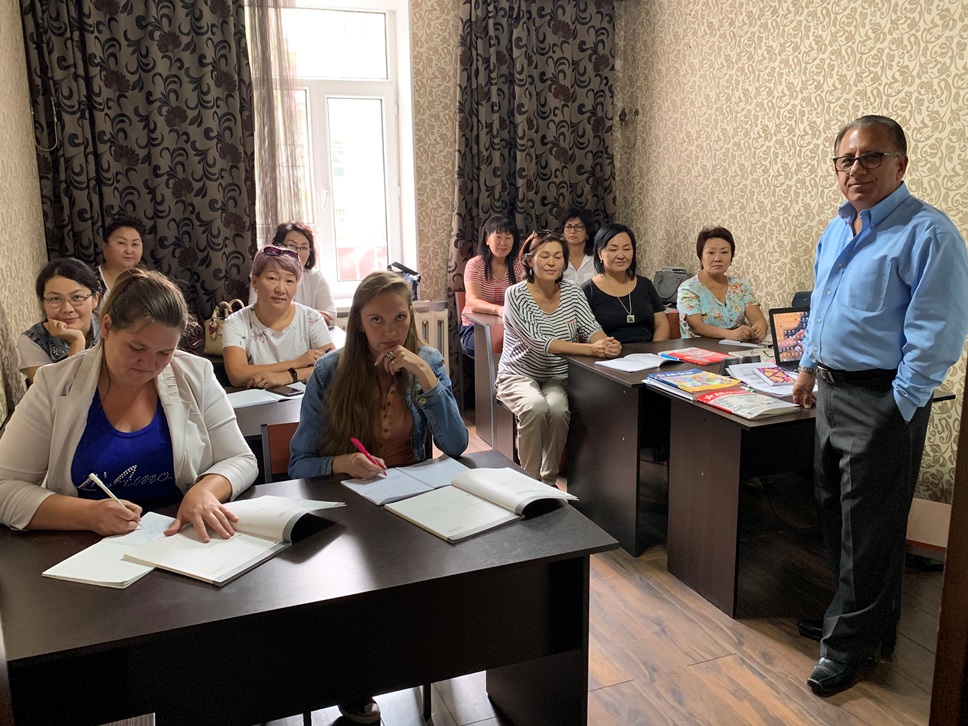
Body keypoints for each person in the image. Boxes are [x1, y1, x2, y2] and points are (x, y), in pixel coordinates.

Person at [791, 115, 968, 696]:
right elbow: (821, 306)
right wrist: (809, 370)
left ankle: (849, 646)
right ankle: (862, 621)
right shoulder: (837, 228)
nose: (856, 170)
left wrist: (902, 404)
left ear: (901, 165)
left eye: (871, 158)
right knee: (835, 512)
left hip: (882, 400)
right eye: (846, 160)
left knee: (869, 525)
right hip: (832, 392)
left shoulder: (928, 233)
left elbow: (937, 330)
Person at [0, 268, 258, 539]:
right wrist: (87, 514)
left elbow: (240, 458)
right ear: (108, 327)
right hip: (84, 547)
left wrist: (204, 491)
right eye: (137, 348)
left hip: (179, 539)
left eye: (164, 352)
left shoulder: (195, 374)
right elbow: (4, 487)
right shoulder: (54, 385)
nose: (149, 365)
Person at [290, 269, 468, 480]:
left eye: (400, 317)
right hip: (351, 492)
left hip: (413, 490)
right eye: (376, 320)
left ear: (411, 315)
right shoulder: (327, 371)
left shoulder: (429, 362)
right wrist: (343, 463)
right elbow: (298, 465)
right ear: (359, 323)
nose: (391, 332)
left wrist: (424, 374)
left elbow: (456, 445)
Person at [496, 231, 621, 486]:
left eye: (557, 256)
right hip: (517, 374)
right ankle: (528, 484)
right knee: (535, 407)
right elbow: (540, 342)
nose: (552, 262)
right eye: (544, 256)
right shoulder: (515, 295)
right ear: (530, 261)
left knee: (558, 410)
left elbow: (591, 327)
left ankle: (549, 481)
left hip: (556, 376)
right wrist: (590, 350)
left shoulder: (573, 291)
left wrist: (606, 343)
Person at [223, 246, 334, 389]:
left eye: (289, 281)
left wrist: (287, 376)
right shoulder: (236, 322)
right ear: (255, 282)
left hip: (305, 401)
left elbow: (333, 366)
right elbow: (237, 375)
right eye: (272, 278)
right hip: (257, 404)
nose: (281, 289)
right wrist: (297, 363)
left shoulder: (311, 319)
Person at [581, 223, 671, 343]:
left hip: (649, 357)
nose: (621, 255)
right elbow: (583, 335)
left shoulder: (645, 285)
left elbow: (661, 324)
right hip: (609, 356)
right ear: (599, 253)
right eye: (613, 249)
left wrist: (655, 352)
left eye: (627, 249)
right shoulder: (587, 291)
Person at [18, 258, 102, 383]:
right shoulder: (32, 341)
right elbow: (57, 396)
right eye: (55, 299)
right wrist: (77, 341)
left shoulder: (114, 329)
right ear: (43, 302)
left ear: (95, 299)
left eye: (77, 297)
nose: (67, 309)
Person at [677, 227, 768, 341]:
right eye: (711, 252)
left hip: (737, 349)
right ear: (700, 257)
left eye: (724, 252)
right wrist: (729, 335)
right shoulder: (689, 288)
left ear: (731, 257)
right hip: (699, 350)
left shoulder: (740, 286)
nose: (718, 258)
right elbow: (696, 326)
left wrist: (759, 329)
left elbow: (758, 319)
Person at [458, 215, 524, 356]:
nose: (503, 242)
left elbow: (524, 300)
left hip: (508, 327)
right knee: (493, 345)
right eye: (498, 237)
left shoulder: (518, 266)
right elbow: (473, 302)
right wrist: (499, 310)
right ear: (487, 239)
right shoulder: (475, 264)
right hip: (474, 327)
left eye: (508, 237)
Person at [249, 222, 337, 325]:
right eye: (292, 246)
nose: (298, 253)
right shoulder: (264, 274)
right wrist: (308, 317)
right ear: (278, 247)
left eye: (304, 248)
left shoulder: (316, 277)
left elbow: (331, 318)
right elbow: (256, 314)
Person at [98, 213, 146, 296]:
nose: (129, 251)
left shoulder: (147, 281)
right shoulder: (88, 281)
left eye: (134, 244)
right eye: (121, 243)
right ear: (105, 247)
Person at [557, 207, 597, 285]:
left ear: (588, 232)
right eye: (568, 226)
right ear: (562, 232)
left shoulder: (597, 259)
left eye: (579, 227)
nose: (572, 231)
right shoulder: (557, 258)